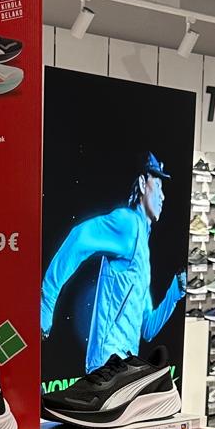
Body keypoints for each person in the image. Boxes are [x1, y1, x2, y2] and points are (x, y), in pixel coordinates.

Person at [41, 151, 186, 372]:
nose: (163, 196)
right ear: (142, 184)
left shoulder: (142, 249)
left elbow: (148, 328)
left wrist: (175, 292)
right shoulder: (128, 223)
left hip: (126, 364)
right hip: (107, 364)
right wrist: (47, 301)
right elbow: (79, 237)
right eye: (158, 185)